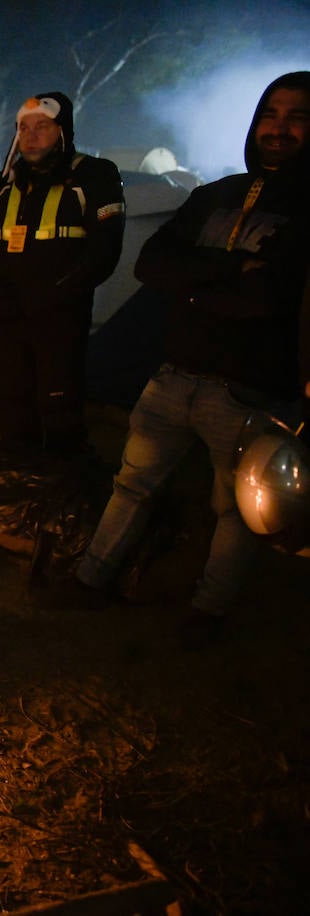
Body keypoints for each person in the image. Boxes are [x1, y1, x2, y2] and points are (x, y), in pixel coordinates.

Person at [65, 72, 310, 647]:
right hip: (175, 371)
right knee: (132, 483)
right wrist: (227, 271)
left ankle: (209, 612)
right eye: (271, 114)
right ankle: (89, 581)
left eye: (297, 116)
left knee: (235, 508)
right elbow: (151, 263)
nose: (279, 127)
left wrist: (194, 276)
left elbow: (270, 298)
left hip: (249, 387)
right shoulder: (216, 194)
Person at [0, 91, 126, 456]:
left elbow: (104, 251)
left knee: (58, 405)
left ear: (63, 131)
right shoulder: (1, 184)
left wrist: (54, 298)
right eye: (24, 128)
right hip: (6, 317)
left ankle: (62, 485)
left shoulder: (96, 176)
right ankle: (18, 484)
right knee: (11, 399)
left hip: (60, 318)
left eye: (43, 126)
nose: (31, 135)